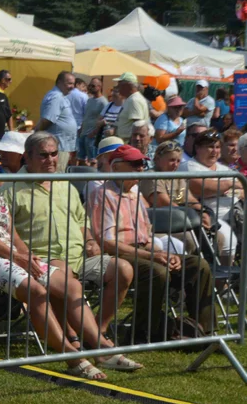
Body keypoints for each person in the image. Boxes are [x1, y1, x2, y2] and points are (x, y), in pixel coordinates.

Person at [0, 138, 108, 379]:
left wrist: (27, 255)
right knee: (37, 291)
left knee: (69, 284)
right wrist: (17, 256)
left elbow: (13, 234)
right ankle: (72, 356)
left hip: (9, 254)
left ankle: (100, 345)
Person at [6, 133, 142, 362]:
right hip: (43, 259)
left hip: (79, 255)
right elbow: (5, 231)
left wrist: (90, 241)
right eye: (43, 155)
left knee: (123, 269)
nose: (50, 159)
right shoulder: (11, 190)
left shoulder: (64, 185)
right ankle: (95, 345)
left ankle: (96, 331)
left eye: (53, 154)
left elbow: (81, 221)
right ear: (27, 157)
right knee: (64, 273)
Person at [89, 144, 214, 342]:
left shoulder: (136, 194)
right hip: (116, 255)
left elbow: (145, 237)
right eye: (135, 164)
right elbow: (107, 243)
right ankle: (143, 333)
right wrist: (154, 255)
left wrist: (165, 255)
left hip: (141, 250)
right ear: (116, 167)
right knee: (157, 271)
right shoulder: (103, 194)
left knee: (198, 265)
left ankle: (201, 332)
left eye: (142, 164)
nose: (140, 168)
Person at [187, 129, 240, 265]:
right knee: (228, 239)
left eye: (217, 147)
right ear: (197, 148)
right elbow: (203, 188)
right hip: (210, 216)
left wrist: (222, 187)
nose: (214, 151)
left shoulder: (224, 169)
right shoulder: (189, 166)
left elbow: (243, 188)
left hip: (237, 213)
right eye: (209, 147)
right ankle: (222, 283)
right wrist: (229, 184)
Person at [36, 71, 77, 170]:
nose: (72, 87)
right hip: (59, 146)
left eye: (73, 84)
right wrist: (36, 136)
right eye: (69, 83)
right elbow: (47, 120)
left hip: (62, 145)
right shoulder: (56, 97)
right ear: (59, 82)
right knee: (57, 175)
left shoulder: (60, 96)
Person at [78, 78, 108, 165]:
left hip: (92, 136)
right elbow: (86, 116)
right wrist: (81, 129)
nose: (90, 87)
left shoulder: (103, 102)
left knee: (93, 160)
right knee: (81, 158)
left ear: (99, 87)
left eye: (93, 86)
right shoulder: (89, 100)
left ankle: (93, 178)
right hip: (83, 134)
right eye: (90, 85)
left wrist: (94, 132)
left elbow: (104, 121)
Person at [113, 73, 149, 140]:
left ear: (128, 85)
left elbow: (138, 125)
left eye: (120, 84)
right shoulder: (130, 99)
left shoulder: (134, 100)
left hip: (129, 143)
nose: (117, 87)